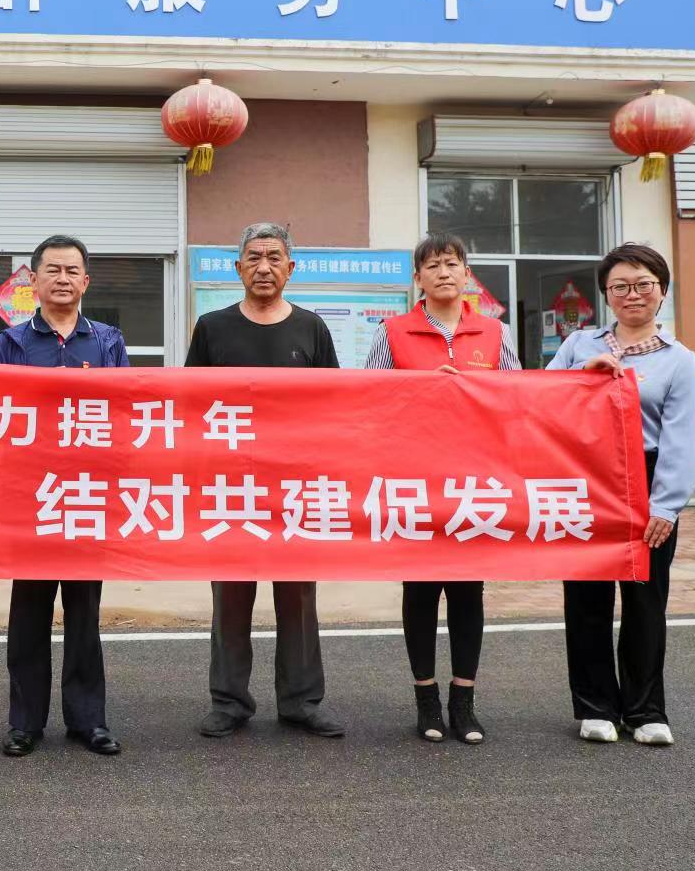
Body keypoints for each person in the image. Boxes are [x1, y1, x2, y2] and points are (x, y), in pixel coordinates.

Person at [187, 222, 346, 740]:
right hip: (231, 486)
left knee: (298, 599)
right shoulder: (212, 327)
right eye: (253, 258)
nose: (263, 267)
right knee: (231, 597)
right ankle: (229, 701)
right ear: (237, 268)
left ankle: (301, 701)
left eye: (274, 257)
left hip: (296, 486)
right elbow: (190, 405)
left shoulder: (312, 328)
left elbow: (334, 405)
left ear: (290, 268)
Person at [364, 233, 521, 745]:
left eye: (452, 264)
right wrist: (425, 389)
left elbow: (517, 400)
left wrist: (474, 392)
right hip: (415, 479)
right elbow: (373, 401)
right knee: (420, 589)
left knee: (468, 590)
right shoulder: (393, 332)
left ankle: (464, 701)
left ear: (467, 273)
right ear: (418, 278)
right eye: (432, 266)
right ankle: (426, 700)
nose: (444, 273)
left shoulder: (495, 332)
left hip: (475, 480)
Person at [548, 243, 695, 747]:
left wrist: (667, 505)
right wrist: (580, 376)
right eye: (620, 286)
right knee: (586, 597)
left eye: (643, 284)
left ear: (662, 290)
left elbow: (680, 437)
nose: (632, 294)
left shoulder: (680, 361)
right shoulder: (578, 344)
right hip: (586, 479)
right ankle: (595, 707)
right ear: (606, 294)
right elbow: (542, 401)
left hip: (648, 479)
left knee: (645, 600)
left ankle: (645, 710)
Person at [0, 235, 126, 758]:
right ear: (34, 280)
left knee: (85, 612)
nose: (62, 279)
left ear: (85, 281)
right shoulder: (11, 343)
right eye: (53, 270)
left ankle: (89, 721)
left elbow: (124, 413)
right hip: (31, 496)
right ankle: (25, 722)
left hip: (88, 494)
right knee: (29, 612)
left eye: (72, 271)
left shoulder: (107, 341)